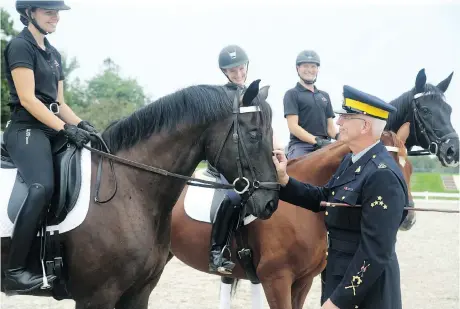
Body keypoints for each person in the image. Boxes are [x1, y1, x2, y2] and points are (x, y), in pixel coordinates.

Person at [272, 85, 408, 309]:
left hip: (367, 293)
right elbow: (325, 197)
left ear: (364, 126)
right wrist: (285, 180)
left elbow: (376, 252)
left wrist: (338, 301)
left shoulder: (382, 175)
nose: (338, 123)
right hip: (339, 277)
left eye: (346, 117)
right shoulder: (352, 161)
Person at [2, 0, 97, 292]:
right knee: (42, 185)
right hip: (25, 129)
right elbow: (29, 99)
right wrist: (65, 128)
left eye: (57, 12)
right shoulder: (20, 46)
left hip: (52, 128)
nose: (56, 17)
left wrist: (83, 125)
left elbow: (60, 103)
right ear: (30, 13)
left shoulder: (53, 54)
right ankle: (15, 269)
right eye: (49, 11)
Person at [208, 45, 282, 275]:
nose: (238, 73)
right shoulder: (221, 97)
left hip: (250, 158)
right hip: (229, 159)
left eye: (240, 67)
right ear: (224, 72)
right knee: (234, 195)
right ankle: (216, 251)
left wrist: (277, 147)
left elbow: (263, 129)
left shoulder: (255, 96)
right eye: (232, 70)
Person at [283, 50, 338, 160]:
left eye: (313, 66)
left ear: (317, 69)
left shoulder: (324, 96)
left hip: (325, 144)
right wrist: (317, 141)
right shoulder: (292, 94)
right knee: (297, 172)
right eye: (305, 66)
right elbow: (293, 127)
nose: (309, 70)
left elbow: (330, 129)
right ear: (297, 68)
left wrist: (341, 137)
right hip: (301, 145)